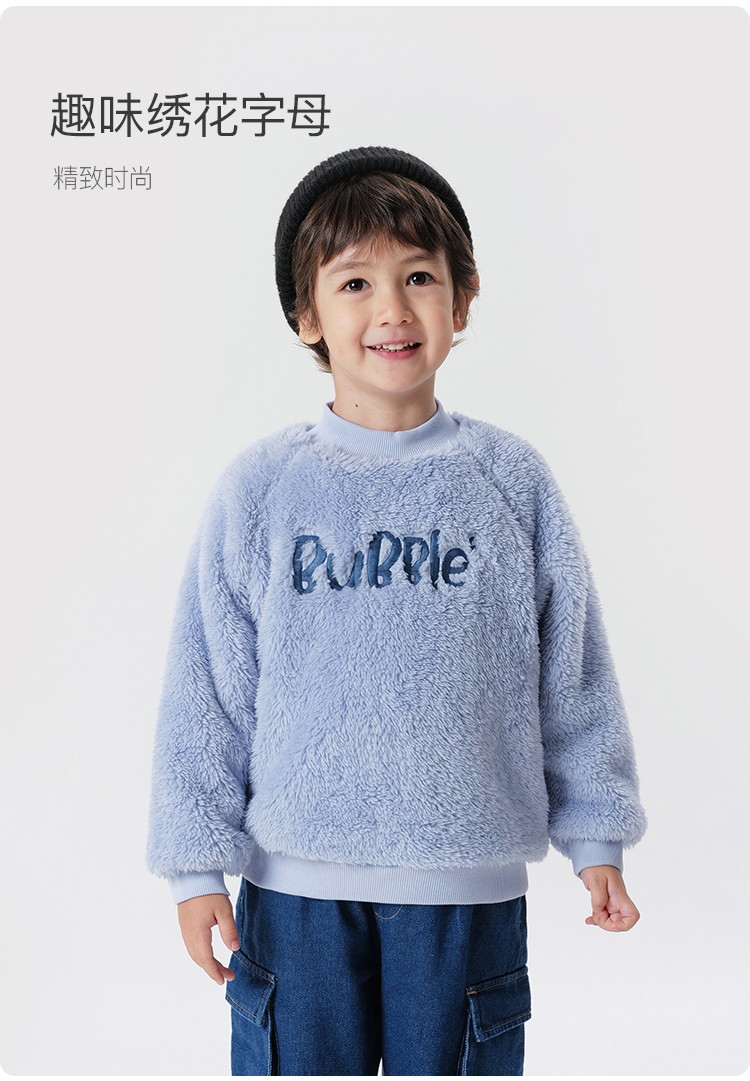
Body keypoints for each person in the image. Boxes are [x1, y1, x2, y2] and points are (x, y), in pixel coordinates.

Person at [146, 146, 647, 1076]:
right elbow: (208, 689)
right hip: (294, 890)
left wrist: (595, 835)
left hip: (464, 889)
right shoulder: (262, 488)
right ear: (307, 314)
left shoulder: (510, 482)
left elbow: (571, 672)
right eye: (354, 283)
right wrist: (193, 865)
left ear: (463, 299)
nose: (392, 309)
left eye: (419, 276)